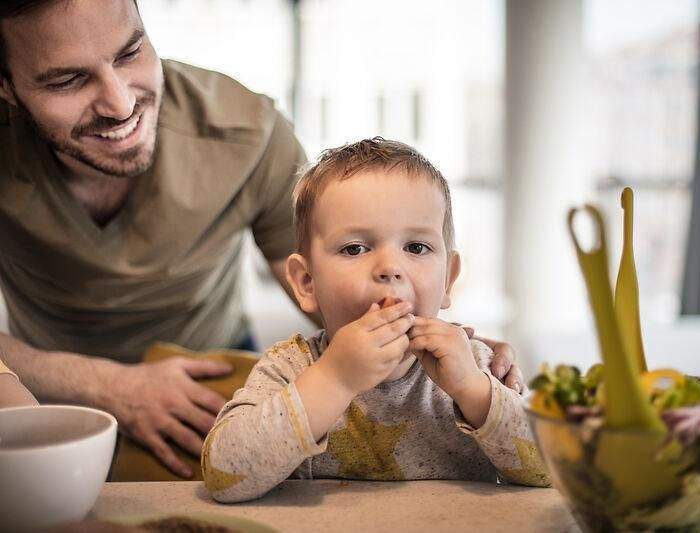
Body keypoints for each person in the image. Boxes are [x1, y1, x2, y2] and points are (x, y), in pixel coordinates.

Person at [0, 0, 524, 478]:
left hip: (217, 388)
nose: (119, 104)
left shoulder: (246, 130)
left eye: (131, 51)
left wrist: (459, 363)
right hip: (37, 389)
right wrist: (108, 385)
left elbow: (337, 290)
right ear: (6, 87)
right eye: (67, 81)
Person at [201, 138, 548, 503]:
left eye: (416, 247)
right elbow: (224, 476)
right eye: (355, 248)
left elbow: (553, 470)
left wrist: (475, 391)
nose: (389, 268)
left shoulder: (475, 364)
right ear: (306, 282)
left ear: (447, 279)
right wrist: (334, 378)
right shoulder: (289, 367)